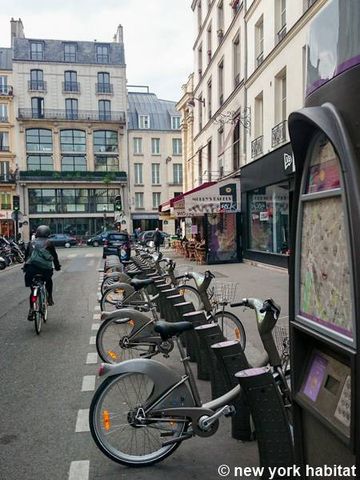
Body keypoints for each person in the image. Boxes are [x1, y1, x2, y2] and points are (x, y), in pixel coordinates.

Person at [24, 225, 61, 320]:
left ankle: (32, 309)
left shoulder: (31, 243)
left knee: (33, 290)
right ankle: (50, 298)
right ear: (48, 233)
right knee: (48, 281)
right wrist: (57, 267)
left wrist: (25, 267)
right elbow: (54, 257)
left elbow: (26, 257)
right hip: (45, 270)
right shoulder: (49, 243)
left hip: (31, 270)